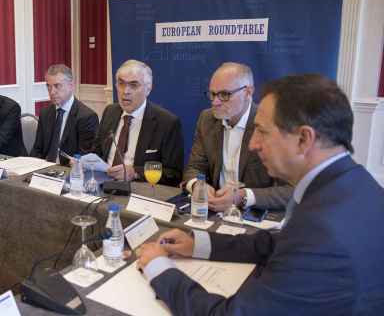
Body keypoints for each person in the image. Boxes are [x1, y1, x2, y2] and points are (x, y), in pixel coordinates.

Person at [137, 74, 384, 315]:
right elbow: (279, 241)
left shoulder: (322, 232)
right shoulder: (352, 183)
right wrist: (199, 244)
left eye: (262, 132)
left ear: (303, 139)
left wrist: (160, 268)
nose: (254, 144)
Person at [184, 62, 291, 211]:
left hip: (255, 215)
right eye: (212, 94)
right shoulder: (207, 119)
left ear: (248, 92)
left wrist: (243, 196)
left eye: (224, 95)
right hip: (214, 210)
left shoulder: (271, 122)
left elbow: (290, 190)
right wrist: (198, 186)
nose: (215, 102)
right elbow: (194, 168)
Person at [93, 59, 183, 186]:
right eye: (121, 83)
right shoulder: (110, 112)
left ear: (148, 89)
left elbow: (174, 174)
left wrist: (135, 172)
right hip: (102, 184)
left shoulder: (167, 123)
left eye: (134, 85)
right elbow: (97, 152)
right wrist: (85, 161)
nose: (125, 91)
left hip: (139, 190)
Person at [30, 64, 98, 165]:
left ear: (71, 85)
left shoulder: (86, 117)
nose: (52, 92)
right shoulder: (45, 113)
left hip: (69, 172)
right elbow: (37, 149)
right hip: (44, 170)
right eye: (48, 86)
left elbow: (84, 158)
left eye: (57, 86)